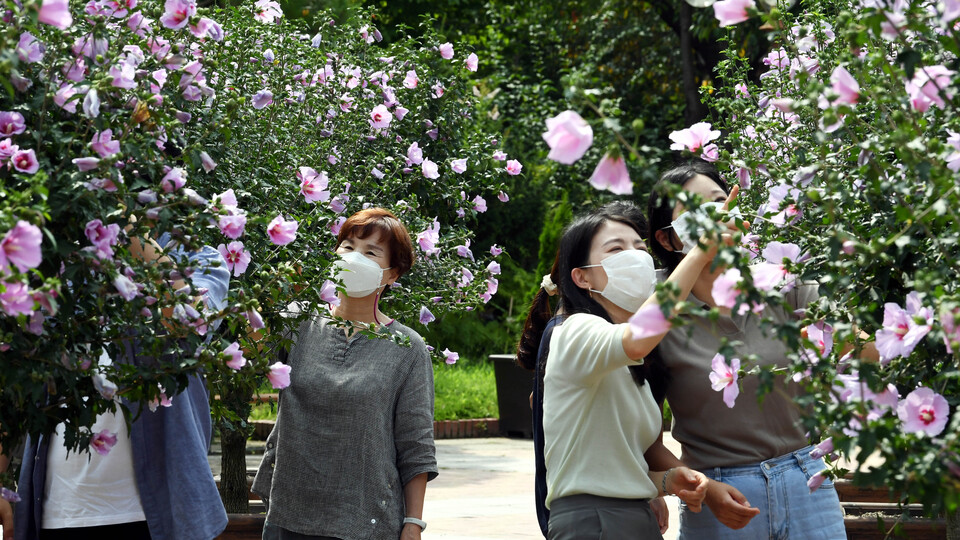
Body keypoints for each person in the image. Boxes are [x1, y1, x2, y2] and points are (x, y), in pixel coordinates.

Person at [646, 161, 865, 539]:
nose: (717, 215)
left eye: (720, 199)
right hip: (719, 497)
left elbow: (862, 348)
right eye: (695, 211)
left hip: (806, 481)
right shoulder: (655, 308)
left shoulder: (782, 280)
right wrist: (694, 486)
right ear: (667, 239)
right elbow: (643, 431)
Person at [516, 195, 740, 539]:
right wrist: (698, 252)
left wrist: (666, 481)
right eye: (616, 249)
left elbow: (608, 465)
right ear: (582, 278)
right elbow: (639, 337)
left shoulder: (623, 364)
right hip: (596, 521)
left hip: (627, 519)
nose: (635, 256)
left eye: (639, 245)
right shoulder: (575, 330)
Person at [2, 233, 231, 540]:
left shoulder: (194, 256)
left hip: (156, 517)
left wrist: (128, 229)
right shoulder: (56, 260)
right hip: (59, 513)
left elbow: (189, 319)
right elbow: (14, 383)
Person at [252, 208, 436, 540]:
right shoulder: (296, 322)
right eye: (348, 246)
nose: (354, 258)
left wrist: (413, 523)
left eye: (370, 252)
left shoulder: (407, 347)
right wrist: (269, 292)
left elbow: (415, 444)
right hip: (290, 514)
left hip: (366, 521)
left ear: (392, 274)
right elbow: (244, 358)